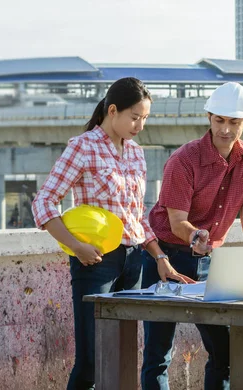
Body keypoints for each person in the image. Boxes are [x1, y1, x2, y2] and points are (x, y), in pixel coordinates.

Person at [31, 77, 193, 390]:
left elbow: (136, 217)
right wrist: (77, 247)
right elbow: (44, 202)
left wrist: (159, 256)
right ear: (113, 110)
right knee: (92, 359)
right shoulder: (83, 147)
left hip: (133, 261)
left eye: (145, 118)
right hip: (96, 261)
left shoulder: (136, 154)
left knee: (121, 356)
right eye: (135, 117)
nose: (140, 126)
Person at [141, 82, 243, 390]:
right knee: (159, 352)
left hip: (207, 261)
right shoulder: (183, 160)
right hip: (165, 257)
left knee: (224, 349)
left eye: (234, 122)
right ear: (209, 118)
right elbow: (175, 222)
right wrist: (196, 235)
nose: (226, 129)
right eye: (220, 121)